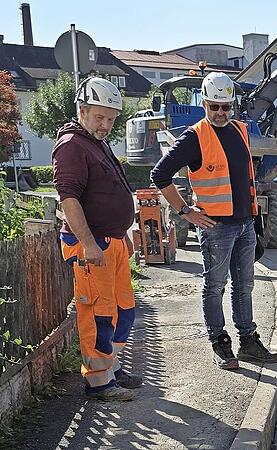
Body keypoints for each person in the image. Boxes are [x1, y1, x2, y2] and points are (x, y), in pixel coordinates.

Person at [151, 72, 277, 370]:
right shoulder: (194, 136)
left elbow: (245, 178)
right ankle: (219, 342)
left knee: (245, 285)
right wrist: (185, 211)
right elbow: (159, 175)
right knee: (215, 286)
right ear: (204, 105)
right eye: (214, 107)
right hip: (216, 228)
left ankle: (248, 341)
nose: (220, 113)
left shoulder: (240, 130)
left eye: (226, 107)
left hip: (245, 224)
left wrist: (255, 224)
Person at [53, 77, 142, 401]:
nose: (106, 125)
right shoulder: (72, 146)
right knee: (98, 314)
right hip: (92, 247)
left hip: (111, 242)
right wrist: (90, 244)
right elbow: (69, 199)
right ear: (83, 110)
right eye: (100, 117)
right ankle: (98, 382)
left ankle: (111, 368)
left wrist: (123, 234)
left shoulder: (95, 142)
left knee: (123, 310)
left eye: (111, 118)